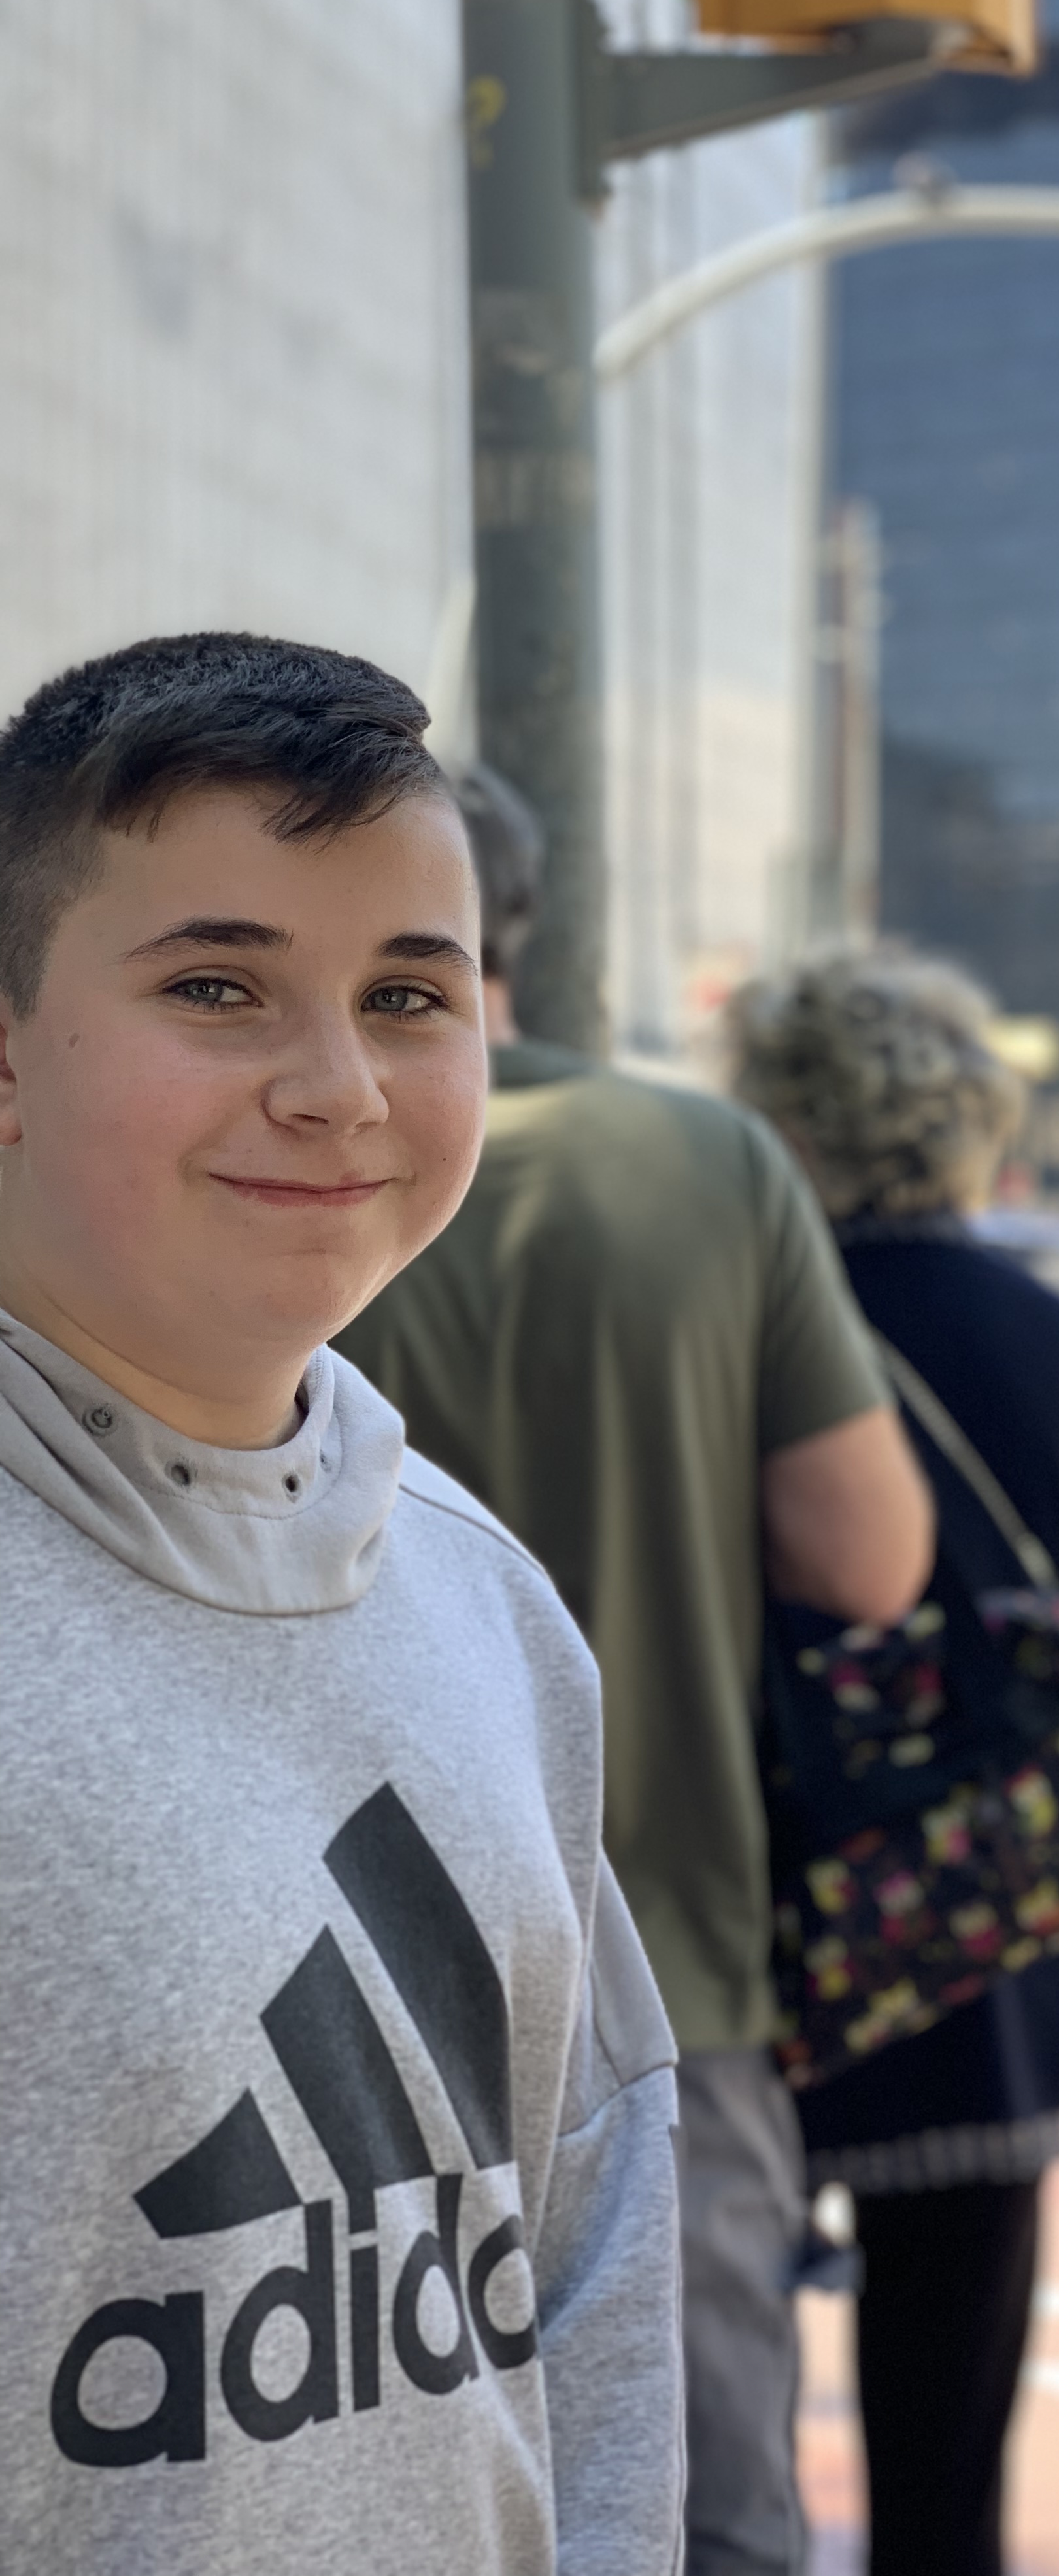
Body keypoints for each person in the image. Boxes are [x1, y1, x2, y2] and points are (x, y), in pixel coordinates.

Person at [0, 635, 682, 2571]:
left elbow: (594, 2263)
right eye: (217, 988)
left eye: (408, 995)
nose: (338, 1087)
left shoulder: (485, 1601)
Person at [337, 773, 933, 2576]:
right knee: (697, 2501)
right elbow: (871, 1557)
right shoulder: (706, 1164)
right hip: (666, 1959)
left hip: (316, 1978)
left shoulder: (254, 1186)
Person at [728, 946, 1059, 2576]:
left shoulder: (742, 1325)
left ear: (785, 1124)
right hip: (1002, 1928)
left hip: (774, 1921)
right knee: (949, 2449)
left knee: (706, 2409)